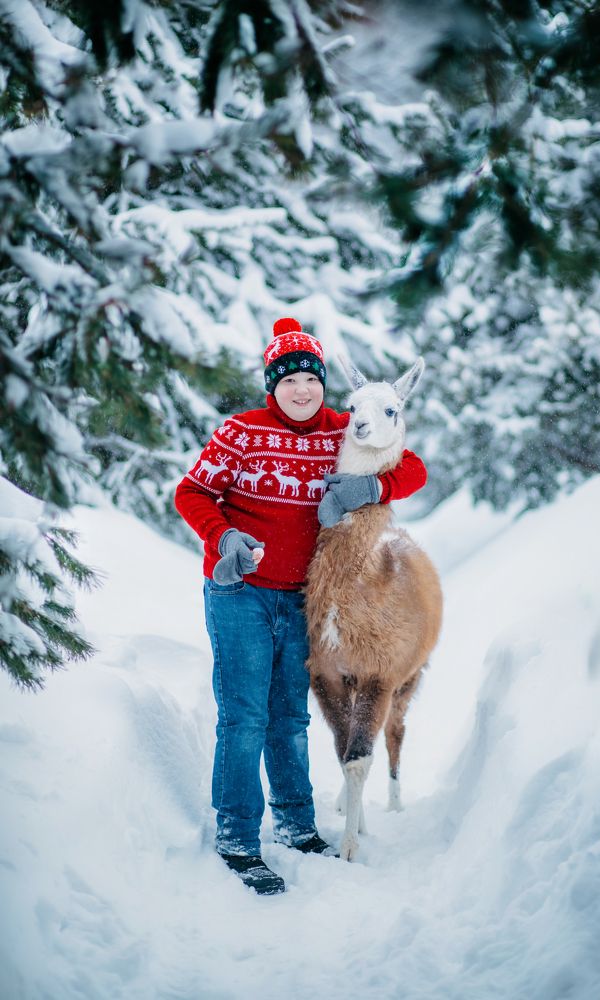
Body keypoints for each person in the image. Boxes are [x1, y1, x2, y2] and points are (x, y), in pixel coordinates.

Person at [174, 317, 427, 895]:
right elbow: (191, 492)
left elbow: (410, 465)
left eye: (310, 378)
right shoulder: (241, 431)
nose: (301, 389)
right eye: (288, 380)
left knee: (290, 716)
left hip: (301, 601)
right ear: (273, 386)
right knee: (245, 715)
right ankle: (237, 836)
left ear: (321, 384)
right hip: (238, 591)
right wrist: (223, 538)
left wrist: (373, 489)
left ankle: (293, 823)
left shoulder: (343, 430)